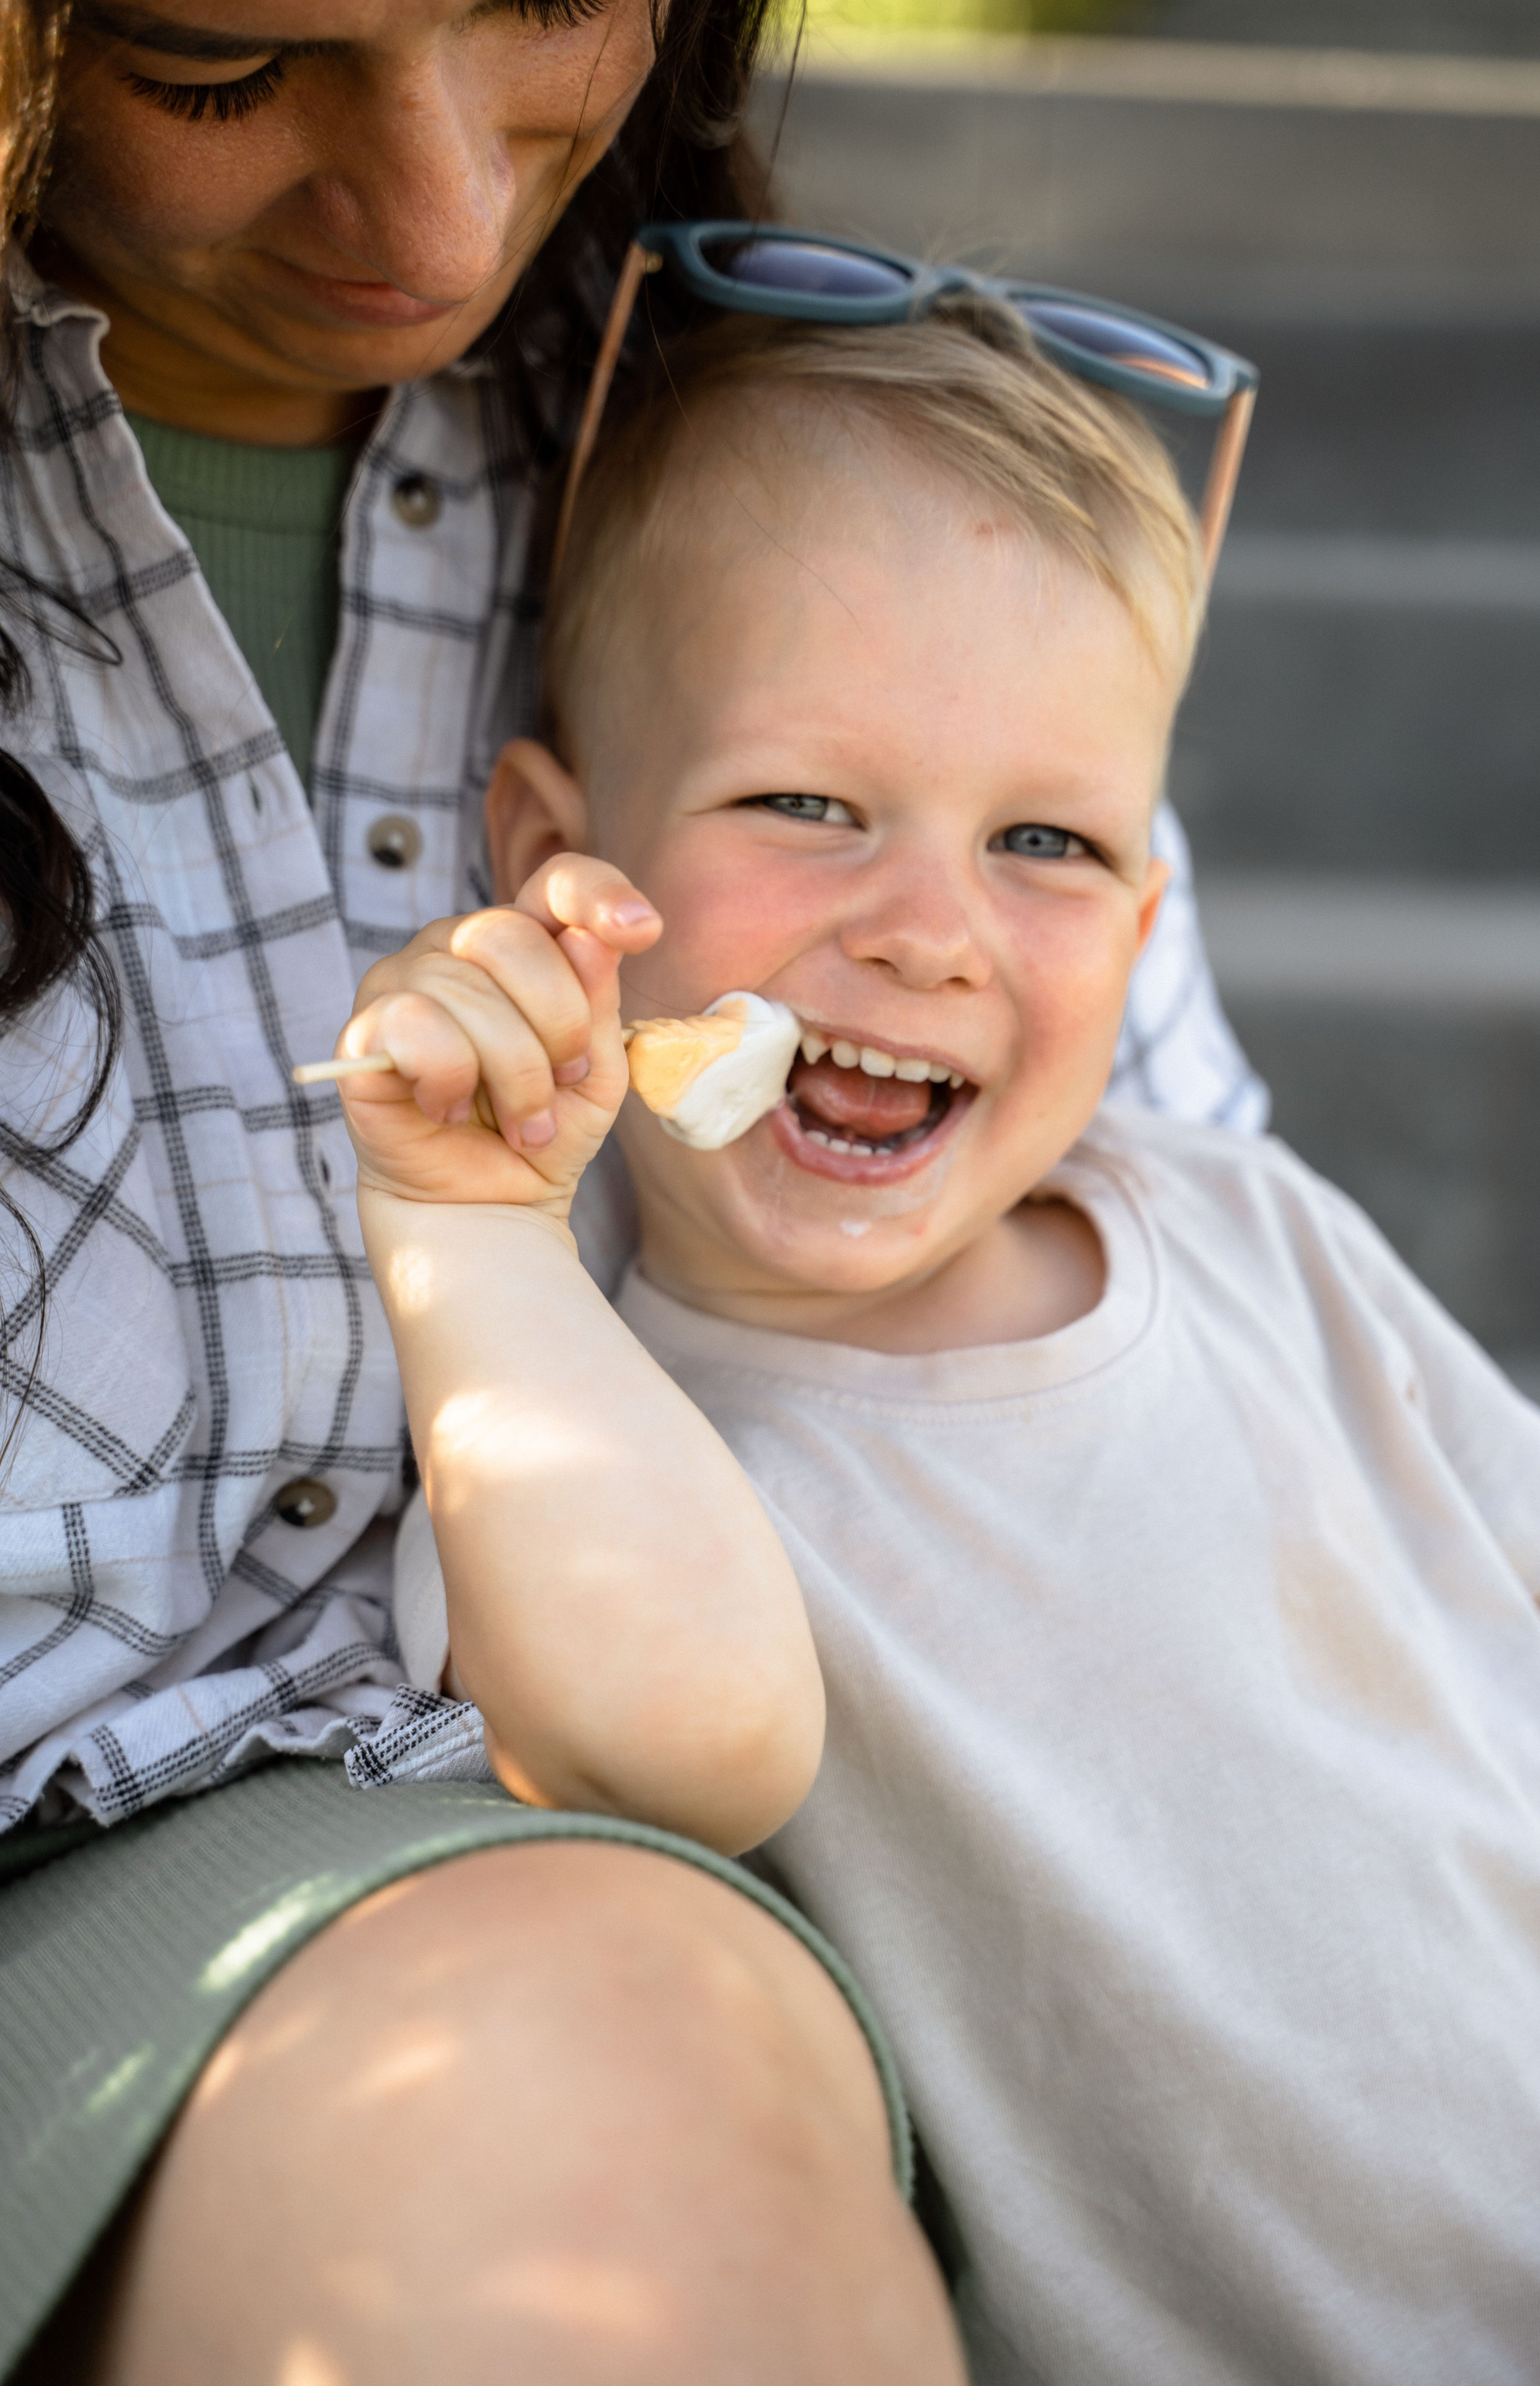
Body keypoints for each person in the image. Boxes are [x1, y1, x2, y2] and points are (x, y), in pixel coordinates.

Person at [356, 305, 1540, 2386]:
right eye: (807, 800)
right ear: (555, 861)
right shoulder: (591, 1449)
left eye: (1048, 843)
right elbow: (672, 1734)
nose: (928, 929)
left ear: (1145, 925)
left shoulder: (1252, 1230)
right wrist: (468, 1229)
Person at [0, 3, 983, 2378]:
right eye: (218, 68)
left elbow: (1206, 1287)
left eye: (545, 2)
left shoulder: (818, 455)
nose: (443, 226)